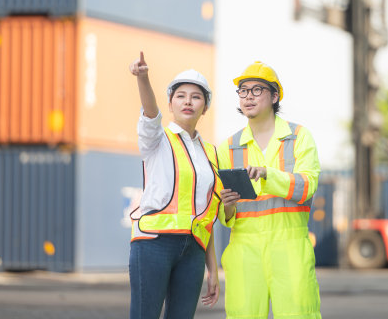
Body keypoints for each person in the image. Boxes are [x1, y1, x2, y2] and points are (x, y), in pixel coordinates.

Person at [218, 61, 321, 319]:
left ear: (275, 96)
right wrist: (227, 205)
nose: (248, 97)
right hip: (244, 248)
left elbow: (307, 186)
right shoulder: (228, 148)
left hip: (290, 246)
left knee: (299, 315)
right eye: (243, 90)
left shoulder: (299, 137)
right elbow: (222, 212)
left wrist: (267, 174)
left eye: (256, 90)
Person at [128, 51, 221, 319]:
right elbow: (149, 114)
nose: (188, 102)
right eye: (180, 96)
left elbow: (206, 216)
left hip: (193, 251)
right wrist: (143, 79)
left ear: (205, 106)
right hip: (154, 245)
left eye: (196, 97)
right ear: (170, 104)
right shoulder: (157, 140)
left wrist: (212, 268)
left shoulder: (211, 154)